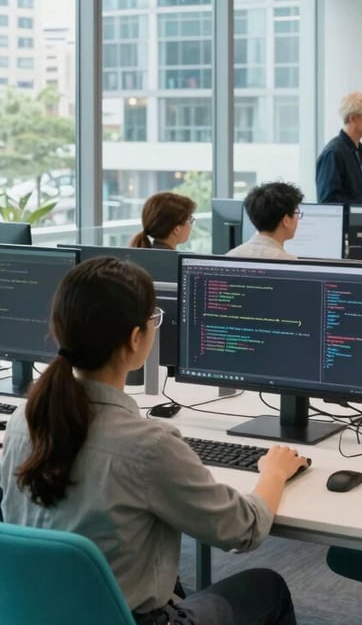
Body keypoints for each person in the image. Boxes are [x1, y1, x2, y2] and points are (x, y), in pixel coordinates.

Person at [0, 257, 306, 624]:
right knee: (266, 587)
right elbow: (245, 530)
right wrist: (273, 473)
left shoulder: (24, 420)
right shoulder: (149, 447)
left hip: (38, 613)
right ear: (135, 339)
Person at [227, 182, 303, 260]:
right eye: (296, 213)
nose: (297, 218)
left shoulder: (230, 256)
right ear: (286, 220)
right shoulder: (290, 262)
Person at [129, 192, 197, 250]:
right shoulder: (174, 262)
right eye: (190, 219)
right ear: (176, 229)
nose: (191, 225)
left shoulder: (147, 255)